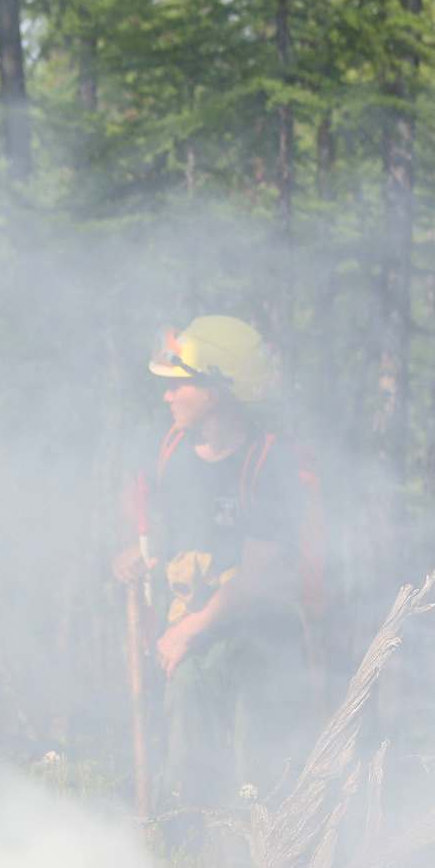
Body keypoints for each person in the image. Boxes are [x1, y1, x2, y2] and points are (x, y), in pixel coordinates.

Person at [112, 316, 324, 813]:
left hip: (262, 638)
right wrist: (133, 552)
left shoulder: (269, 464)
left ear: (218, 389)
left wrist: (186, 632)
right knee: (186, 764)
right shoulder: (167, 446)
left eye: (180, 384)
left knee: (263, 770)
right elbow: (136, 499)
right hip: (193, 635)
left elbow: (256, 577)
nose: (167, 396)